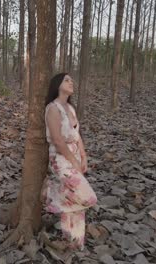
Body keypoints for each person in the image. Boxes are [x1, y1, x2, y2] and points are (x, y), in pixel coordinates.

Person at [42, 73, 97, 251]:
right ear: (57, 85)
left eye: (72, 80)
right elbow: (58, 140)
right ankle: (51, 191)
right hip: (61, 159)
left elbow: (76, 134)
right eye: (67, 80)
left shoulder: (70, 108)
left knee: (75, 206)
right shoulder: (53, 108)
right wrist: (73, 161)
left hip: (75, 155)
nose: (71, 82)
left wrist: (83, 155)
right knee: (88, 197)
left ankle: (74, 244)